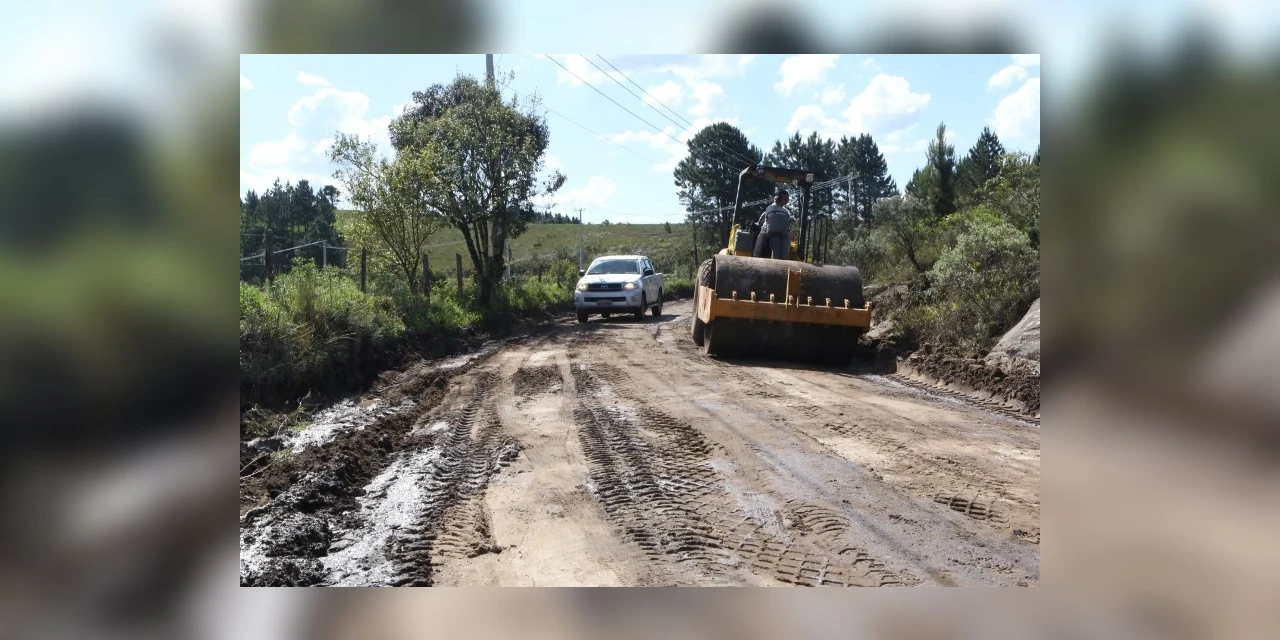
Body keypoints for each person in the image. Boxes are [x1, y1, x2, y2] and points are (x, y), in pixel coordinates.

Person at [753, 188, 792, 259]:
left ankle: (756, 255)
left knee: (761, 236)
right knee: (788, 235)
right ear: (781, 199)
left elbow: (762, 221)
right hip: (783, 232)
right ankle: (785, 257)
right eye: (786, 199)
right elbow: (787, 223)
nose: (787, 200)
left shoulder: (769, 208)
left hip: (769, 231)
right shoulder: (785, 211)